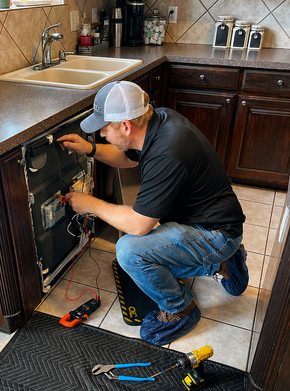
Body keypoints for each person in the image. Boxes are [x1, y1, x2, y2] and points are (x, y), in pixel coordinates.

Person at [57, 81, 248, 345]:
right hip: (213, 221)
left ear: (126, 126)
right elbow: (129, 157)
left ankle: (180, 310)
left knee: (130, 251)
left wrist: (90, 204)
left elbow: (138, 225)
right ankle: (223, 263)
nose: (100, 134)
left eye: (105, 127)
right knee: (153, 260)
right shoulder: (159, 120)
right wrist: (89, 150)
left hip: (217, 234)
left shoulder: (168, 152)